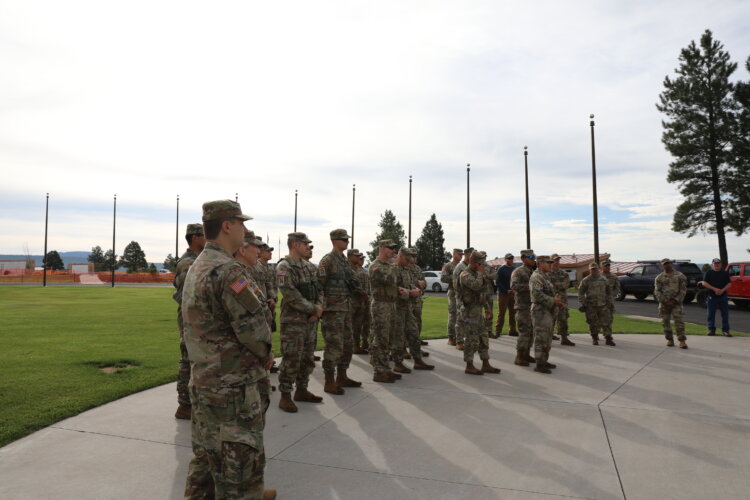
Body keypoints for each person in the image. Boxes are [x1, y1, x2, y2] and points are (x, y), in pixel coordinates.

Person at [182, 200, 275, 500]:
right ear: (226, 226)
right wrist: (266, 352)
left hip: (206, 381)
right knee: (239, 471)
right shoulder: (227, 270)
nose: (245, 230)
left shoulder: (200, 264)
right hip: (232, 388)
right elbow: (255, 331)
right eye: (241, 223)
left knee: (207, 459)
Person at [275, 232, 324, 413]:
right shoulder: (284, 267)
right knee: (291, 358)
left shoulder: (310, 267)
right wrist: (313, 309)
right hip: (293, 322)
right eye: (305, 244)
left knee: (307, 357)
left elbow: (319, 289)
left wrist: (318, 307)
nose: (307, 247)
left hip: (311, 321)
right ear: (295, 245)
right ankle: (285, 396)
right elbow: (290, 294)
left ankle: (302, 390)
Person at [317, 229, 361, 394]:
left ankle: (342, 376)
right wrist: (320, 307)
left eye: (347, 240)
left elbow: (351, 281)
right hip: (332, 311)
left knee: (347, 344)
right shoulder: (327, 261)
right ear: (335, 241)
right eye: (344, 239)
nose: (347, 242)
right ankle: (329, 381)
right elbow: (319, 286)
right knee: (333, 345)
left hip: (345, 308)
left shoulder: (344, 260)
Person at [173, 223, 205, 420]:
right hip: (190, 319)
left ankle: (192, 401)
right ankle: (184, 405)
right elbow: (189, 296)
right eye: (203, 235)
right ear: (194, 237)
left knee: (195, 359)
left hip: (197, 318)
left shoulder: (197, 260)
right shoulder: (188, 263)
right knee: (187, 359)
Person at [458, 251, 501, 375]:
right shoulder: (465, 274)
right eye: (481, 263)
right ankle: (469, 365)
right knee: (471, 339)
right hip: (469, 311)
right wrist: (481, 273)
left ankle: (485, 363)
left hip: (478, 310)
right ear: (474, 262)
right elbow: (476, 286)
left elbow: (482, 292)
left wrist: (487, 308)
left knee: (483, 337)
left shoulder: (478, 273)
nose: (483, 265)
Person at [393, 248, 434, 372]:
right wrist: (411, 292)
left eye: (411, 258)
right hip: (397, 308)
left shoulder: (406, 269)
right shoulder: (393, 269)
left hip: (408, 307)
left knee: (414, 333)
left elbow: (409, 284)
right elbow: (393, 288)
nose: (410, 261)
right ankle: (398, 363)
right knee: (398, 337)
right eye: (407, 258)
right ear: (400, 256)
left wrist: (415, 288)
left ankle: (418, 360)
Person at [369, 239, 401, 383]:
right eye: (390, 248)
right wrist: (395, 266)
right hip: (381, 305)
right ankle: (379, 371)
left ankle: (386, 368)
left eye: (394, 249)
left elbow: (395, 280)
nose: (393, 251)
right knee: (381, 338)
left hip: (391, 304)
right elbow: (390, 279)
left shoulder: (389, 265)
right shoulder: (375, 266)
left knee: (388, 338)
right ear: (381, 248)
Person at [530, 256, 563, 374]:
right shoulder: (537, 277)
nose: (551, 264)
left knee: (547, 338)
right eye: (548, 262)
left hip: (547, 311)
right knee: (541, 338)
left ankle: (544, 360)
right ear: (541, 263)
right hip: (540, 311)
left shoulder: (545, 276)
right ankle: (539, 364)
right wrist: (553, 300)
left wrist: (556, 301)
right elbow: (537, 294)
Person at [578, 263, 615, 346]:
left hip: (603, 305)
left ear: (598, 269)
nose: (594, 270)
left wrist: (609, 303)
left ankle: (608, 338)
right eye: (592, 269)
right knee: (592, 323)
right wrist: (584, 303)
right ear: (590, 270)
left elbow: (609, 292)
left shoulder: (604, 280)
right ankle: (594, 338)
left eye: (595, 269)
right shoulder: (585, 280)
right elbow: (580, 293)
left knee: (606, 323)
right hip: (591, 306)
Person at [654, 258, 688, 349]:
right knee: (665, 322)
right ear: (662, 265)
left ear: (671, 264)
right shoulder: (659, 277)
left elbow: (683, 290)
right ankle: (670, 339)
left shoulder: (680, 275)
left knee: (679, 322)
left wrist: (675, 300)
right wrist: (664, 301)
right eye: (665, 264)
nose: (667, 265)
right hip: (664, 304)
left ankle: (682, 341)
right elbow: (657, 291)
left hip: (676, 303)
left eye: (668, 263)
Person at [512, 250, 537, 366]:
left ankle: (526, 354)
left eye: (534, 257)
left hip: (531, 306)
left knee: (531, 332)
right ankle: (519, 356)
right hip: (523, 306)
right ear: (523, 258)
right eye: (531, 257)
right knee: (524, 332)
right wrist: (530, 286)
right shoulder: (518, 271)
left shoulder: (533, 271)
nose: (533, 259)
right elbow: (513, 286)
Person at [700, 258, 732, 337]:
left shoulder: (724, 273)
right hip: (712, 297)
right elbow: (704, 283)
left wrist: (722, 290)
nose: (717, 265)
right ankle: (711, 330)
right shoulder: (709, 272)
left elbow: (729, 284)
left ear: (720, 264)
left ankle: (725, 331)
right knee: (711, 314)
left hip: (723, 297)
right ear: (712, 265)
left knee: (725, 314)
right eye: (715, 264)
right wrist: (715, 289)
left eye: (718, 263)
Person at [549, 253, 574, 346]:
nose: (557, 262)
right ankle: (549, 337)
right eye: (555, 260)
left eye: (558, 260)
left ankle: (564, 338)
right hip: (551, 300)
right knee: (550, 319)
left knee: (563, 319)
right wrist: (559, 285)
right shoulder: (546, 273)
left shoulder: (563, 273)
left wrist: (555, 284)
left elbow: (566, 284)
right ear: (551, 261)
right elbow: (547, 286)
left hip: (562, 301)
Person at [349, 249, 371, 354]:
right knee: (351, 325)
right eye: (359, 257)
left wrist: (367, 296)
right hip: (352, 301)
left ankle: (358, 345)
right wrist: (363, 294)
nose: (360, 259)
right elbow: (352, 286)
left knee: (359, 325)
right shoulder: (349, 269)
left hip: (362, 301)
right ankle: (352, 346)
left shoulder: (363, 271)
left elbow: (367, 286)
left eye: (361, 258)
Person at [452, 247, 474, 350]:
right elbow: (456, 285)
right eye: (471, 254)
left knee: (469, 320)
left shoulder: (471, 266)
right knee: (460, 320)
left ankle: (468, 340)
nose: (473, 256)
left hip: (470, 298)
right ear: (467, 255)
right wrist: (460, 298)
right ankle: (459, 341)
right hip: (461, 297)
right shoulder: (460, 267)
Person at [441, 249, 463, 345]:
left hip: (461, 293)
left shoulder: (462, 266)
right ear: (454, 254)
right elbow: (443, 278)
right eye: (459, 254)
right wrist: (455, 277)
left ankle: (459, 336)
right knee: (453, 315)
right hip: (453, 292)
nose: (461, 256)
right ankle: (451, 337)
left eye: (462, 254)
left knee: (461, 315)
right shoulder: (448, 265)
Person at [495, 253, 518, 337]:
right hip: (503, 294)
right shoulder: (501, 269)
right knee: (502, 313)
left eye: (512, 258)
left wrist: (514, 290)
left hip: (512, 294)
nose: (511, 260)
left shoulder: (514, 269)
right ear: (505, 259)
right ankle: (498, 331)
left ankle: (512, 330)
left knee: (513, 313)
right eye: (509, 258)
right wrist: (506, 290)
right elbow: (497, 282)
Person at [602, 259, 620, 338]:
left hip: (610, 301)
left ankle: (608, 334)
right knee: (599, 318)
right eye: (606, 266)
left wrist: (612, 296)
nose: (608, 267)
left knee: (609, 318)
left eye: (609, 266)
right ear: (602, 267)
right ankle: (596, 334)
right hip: (600, 301)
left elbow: (617, 287)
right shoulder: (598, 276)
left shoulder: (614, 277)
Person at [482, 263, 497, 338]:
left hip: (488, 293)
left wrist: (487, 276)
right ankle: (479, 332)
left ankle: (489, 331)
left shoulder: (489, 267)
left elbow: (495, 276)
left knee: (489, 312)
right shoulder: (475, 265)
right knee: (476, 313)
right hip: (478, 293)